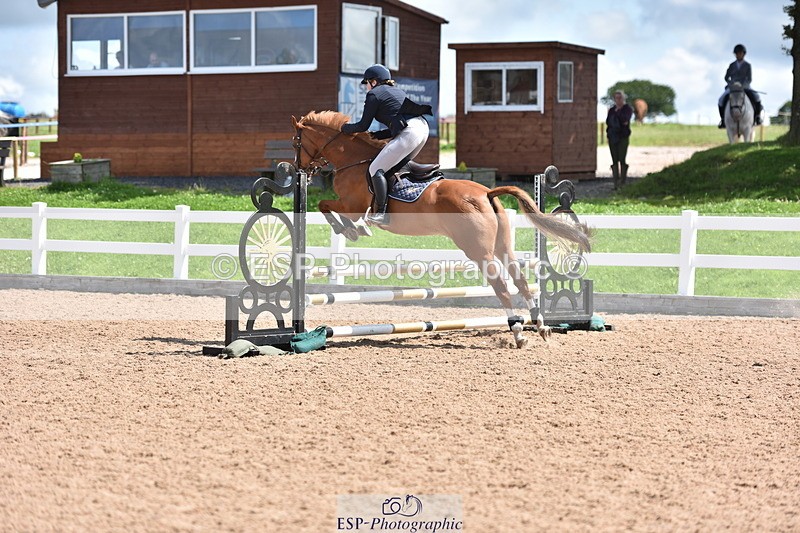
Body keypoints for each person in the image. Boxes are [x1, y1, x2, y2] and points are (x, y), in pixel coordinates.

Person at [340, 64, 432, 225]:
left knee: (375, 169)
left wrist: (343, 128)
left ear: (374, 82)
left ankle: (382, 213)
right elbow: (398, 123)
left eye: (367, 83)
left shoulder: (374, 94)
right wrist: (377, 135)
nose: (366, 87)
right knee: (394, 165)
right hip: (422, 129)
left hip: (411, 131)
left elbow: (362, 126)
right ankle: (401, 200)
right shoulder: (396, 91)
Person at [717, 44, 762, 128]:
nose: (738, 55)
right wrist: (731, 84)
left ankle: (757, 117)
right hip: (733, 87)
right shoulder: (731, 65)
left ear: (743, 54)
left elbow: (749, 79)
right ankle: (723, 120)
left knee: (757, 97)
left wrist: (743, 85)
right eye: (737, 53)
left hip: (745, 87)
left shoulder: (748, 65)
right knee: (720, 100)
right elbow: (726, 77)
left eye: (740, 53)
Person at [606, 90, 634, 189]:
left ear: (623, 98)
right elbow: (608, 122)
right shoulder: (612, 110)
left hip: (623, 137)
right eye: (616, 98)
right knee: (614, 160)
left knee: (622, 158)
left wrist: (618, 117)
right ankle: (615, 183)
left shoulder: (627, 109)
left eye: (620, 98)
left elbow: (625, 120)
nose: (618, 100)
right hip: (613, 137)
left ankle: (622, 182)